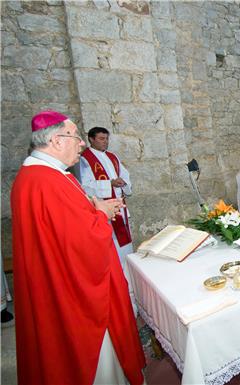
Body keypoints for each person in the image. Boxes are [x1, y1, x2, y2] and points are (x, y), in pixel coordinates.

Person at [10, 111, 145, 384]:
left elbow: (66, 225)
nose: (81, 144)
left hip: (56, 279)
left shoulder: (46, 175)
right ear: (56, 140)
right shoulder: (45, 181)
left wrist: (95, 207)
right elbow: (81, 240)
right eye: (75, 137)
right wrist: (102, 215)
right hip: (74, 293)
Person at [80, 127, 134, 271]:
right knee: (112, 247)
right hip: (103, 211)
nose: (105, 142)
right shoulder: (85, 159)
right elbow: (85, 187)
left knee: (125, 247)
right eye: (101, 139)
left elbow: (125, 175)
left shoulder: (112, 157)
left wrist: (123, 182)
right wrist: (109, 183)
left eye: (107, 139)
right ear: (91, 139)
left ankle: (128, 274)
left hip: (119, 208)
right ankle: (118, 274)